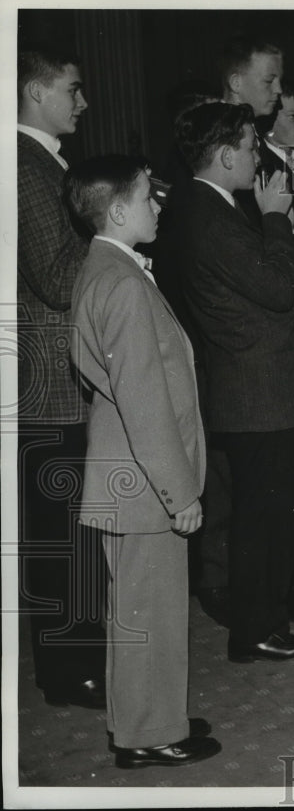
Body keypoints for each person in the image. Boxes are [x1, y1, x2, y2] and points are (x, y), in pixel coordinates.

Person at [67, 154, 221, 768]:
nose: (157, 205)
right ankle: (148, 735)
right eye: (145, 197)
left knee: (137, 610)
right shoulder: (125, 283)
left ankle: (142, 720)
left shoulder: (106, 267)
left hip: (125, 474)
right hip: (144, 479)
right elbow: (145, 403)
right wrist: (179, 493)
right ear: (117, 210)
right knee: (150, 612)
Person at [168, 102, 294, 661]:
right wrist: (276, 218)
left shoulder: (207, 205)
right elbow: (278, 290)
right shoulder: (209, 215)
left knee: (266, 516)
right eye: (252, 147)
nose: (259, 157)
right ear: (226, 154)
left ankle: (263, 623)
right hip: (256, 391)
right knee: (265, 520)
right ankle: (257, 630)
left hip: (254, 387)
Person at [16, 46, 107, 711]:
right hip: (48, 378)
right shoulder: (26, 167)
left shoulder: (45, 161)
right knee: (62, 533)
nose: (82, 102)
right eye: (72, 90)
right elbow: (52, 277)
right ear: (34, 92)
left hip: (58, 372)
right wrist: (111, 235)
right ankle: (70, 670)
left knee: (71, 528)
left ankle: (77, 659)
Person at [219, 35, 283, 117]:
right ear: (236, 83)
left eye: (280, 81)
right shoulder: (211, 124)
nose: (279, 90)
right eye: (269, 81)